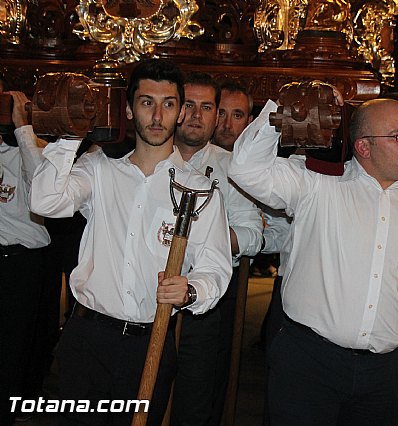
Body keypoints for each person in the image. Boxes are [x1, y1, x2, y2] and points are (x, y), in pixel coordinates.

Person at [228, 95, 398, 424]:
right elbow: (245, 168)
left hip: (386, 372)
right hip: (308, 362)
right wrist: (283, 110)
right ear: (364, 146)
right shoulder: (317, 183)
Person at [30, 59, 233, 425]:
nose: (157, 115)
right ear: (128, 108)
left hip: (150, 343)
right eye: (146, 102)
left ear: (180, 111)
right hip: (87, 339)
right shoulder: (99, 170)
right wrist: (73, 134)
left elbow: (215, 268)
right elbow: (45, 201)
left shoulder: (198, 189)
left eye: (169, 103)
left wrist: (189, 291)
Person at [171, 72, 263, 425]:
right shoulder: (152, 157)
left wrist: (207, 240)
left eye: (206, 107)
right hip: (147, 294)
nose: (197, 115)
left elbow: (253, 235)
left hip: (206, 298)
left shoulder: (231, 168)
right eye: (189, 105)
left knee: (196, 401)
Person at [0, 91, 51, 425]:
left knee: (12, 353)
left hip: (23, 263)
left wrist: (23, 129)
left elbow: (42, 194)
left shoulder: (37, 149)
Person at [213, 81, 254, 152]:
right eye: (221, 114)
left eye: (237, 116)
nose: (227, 125)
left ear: (249, 122)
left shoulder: (258, 160)